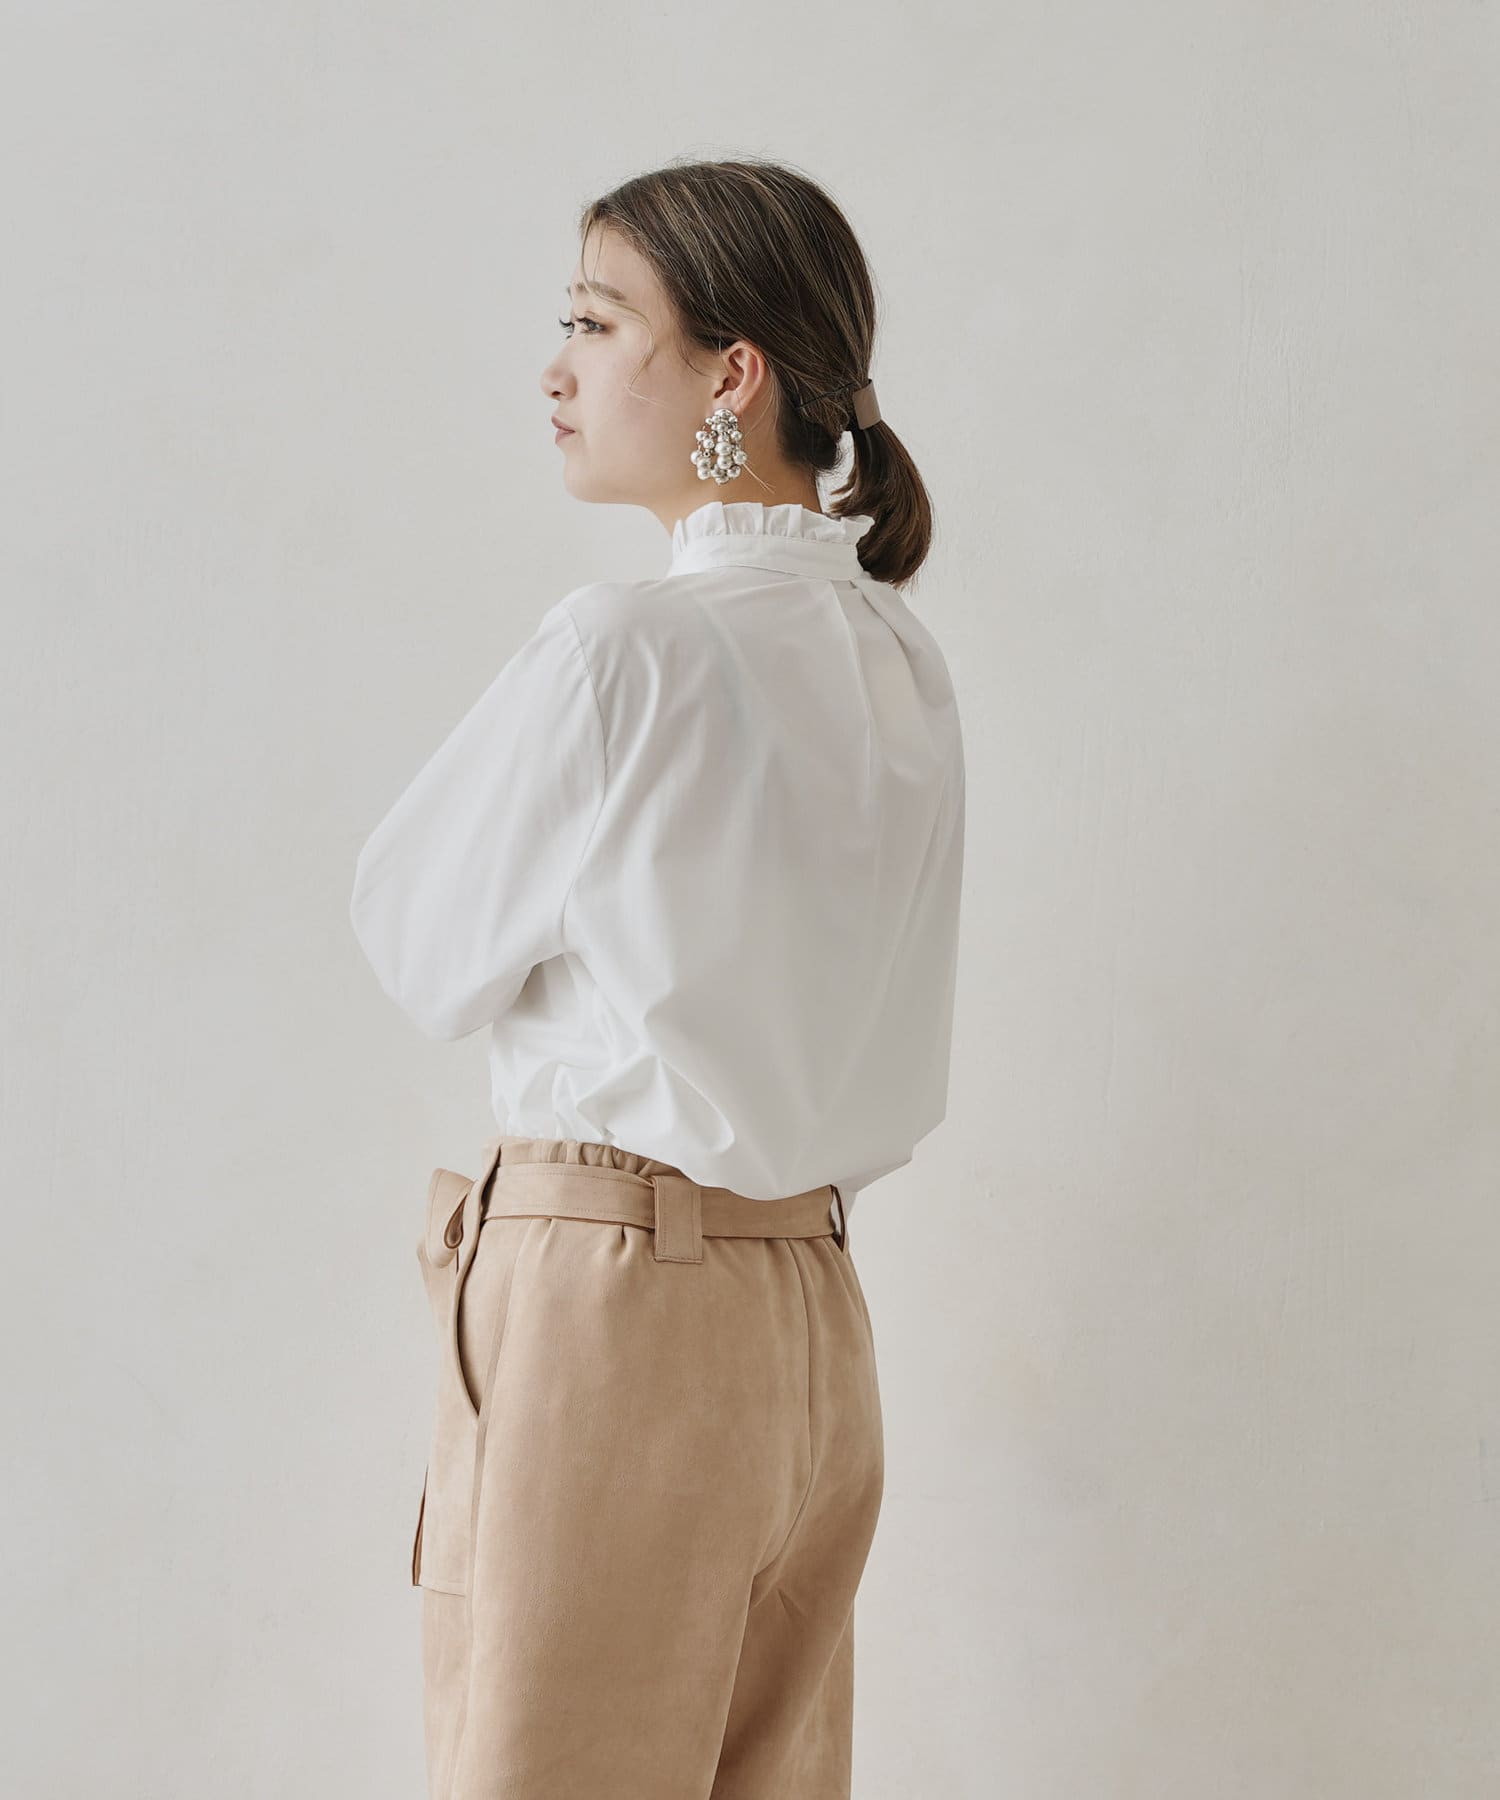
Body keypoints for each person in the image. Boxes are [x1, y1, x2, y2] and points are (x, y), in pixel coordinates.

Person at [349, 156, 966, 1800]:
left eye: (597, 320)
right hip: (808, 1314)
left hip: (610, 1298)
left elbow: (419, 946)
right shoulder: (898, 659)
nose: (556, 367)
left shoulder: (622, 650)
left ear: (728, 374)